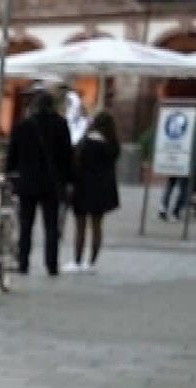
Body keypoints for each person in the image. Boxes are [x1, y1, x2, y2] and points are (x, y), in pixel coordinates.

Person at [6, 89, 72, 275]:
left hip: (27, 183)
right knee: (51, 225)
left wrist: (10, 175)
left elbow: (13, 156)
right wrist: (68, 181)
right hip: (51, 183)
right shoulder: (61, 125)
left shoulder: (23, 126)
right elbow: (67, 155)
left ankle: (23, 262)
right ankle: (51, 264)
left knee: (25, 225)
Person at [69, 111, 120, 273]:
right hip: (102, 190)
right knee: (97, 226)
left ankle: (77, 261)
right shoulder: (112, 145)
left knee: (80, 226)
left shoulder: (85, 143)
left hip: (83, 188)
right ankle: (92, 262)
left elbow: (76, 165)